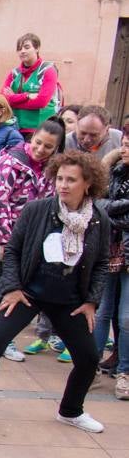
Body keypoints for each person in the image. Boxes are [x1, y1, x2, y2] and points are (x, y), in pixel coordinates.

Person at [0, 151, 111, 434]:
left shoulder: (99, 218)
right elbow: (13, 250)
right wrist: (13, 287)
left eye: (71, 180)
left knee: (89, 358)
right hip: (29, 291)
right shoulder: (37, 210)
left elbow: (102, 263)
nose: (63, 185)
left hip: (70, 300)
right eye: (60, 178)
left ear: (87, 183)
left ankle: (71, 410)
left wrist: (91, 301)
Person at [0, 119, 64, 356]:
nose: (40, 149)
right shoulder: (11, 161)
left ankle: (2, 337)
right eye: (38, 142)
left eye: (48, 147)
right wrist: (4, 240)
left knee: (11, 285)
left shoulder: (53, 170)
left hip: (24, 236)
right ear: (31, 138)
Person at [97, 134, 129, 400]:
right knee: (103, 311)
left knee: (126, 316)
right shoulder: (115, 171)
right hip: (111, 250)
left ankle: (125, 372)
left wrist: (112, 212)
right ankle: (89, 367)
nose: (125, 149)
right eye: (126, 144)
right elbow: (100, 205)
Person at [3, 33, 61, 137]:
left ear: (37, 48)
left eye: (26, 47)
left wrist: (13, 99)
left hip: (40, 130)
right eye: (19, 49)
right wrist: (27, 96)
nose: (22, 51)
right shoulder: (14, 73)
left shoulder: (48, 70)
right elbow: (3, 100)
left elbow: (41, 102)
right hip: (15, 128)